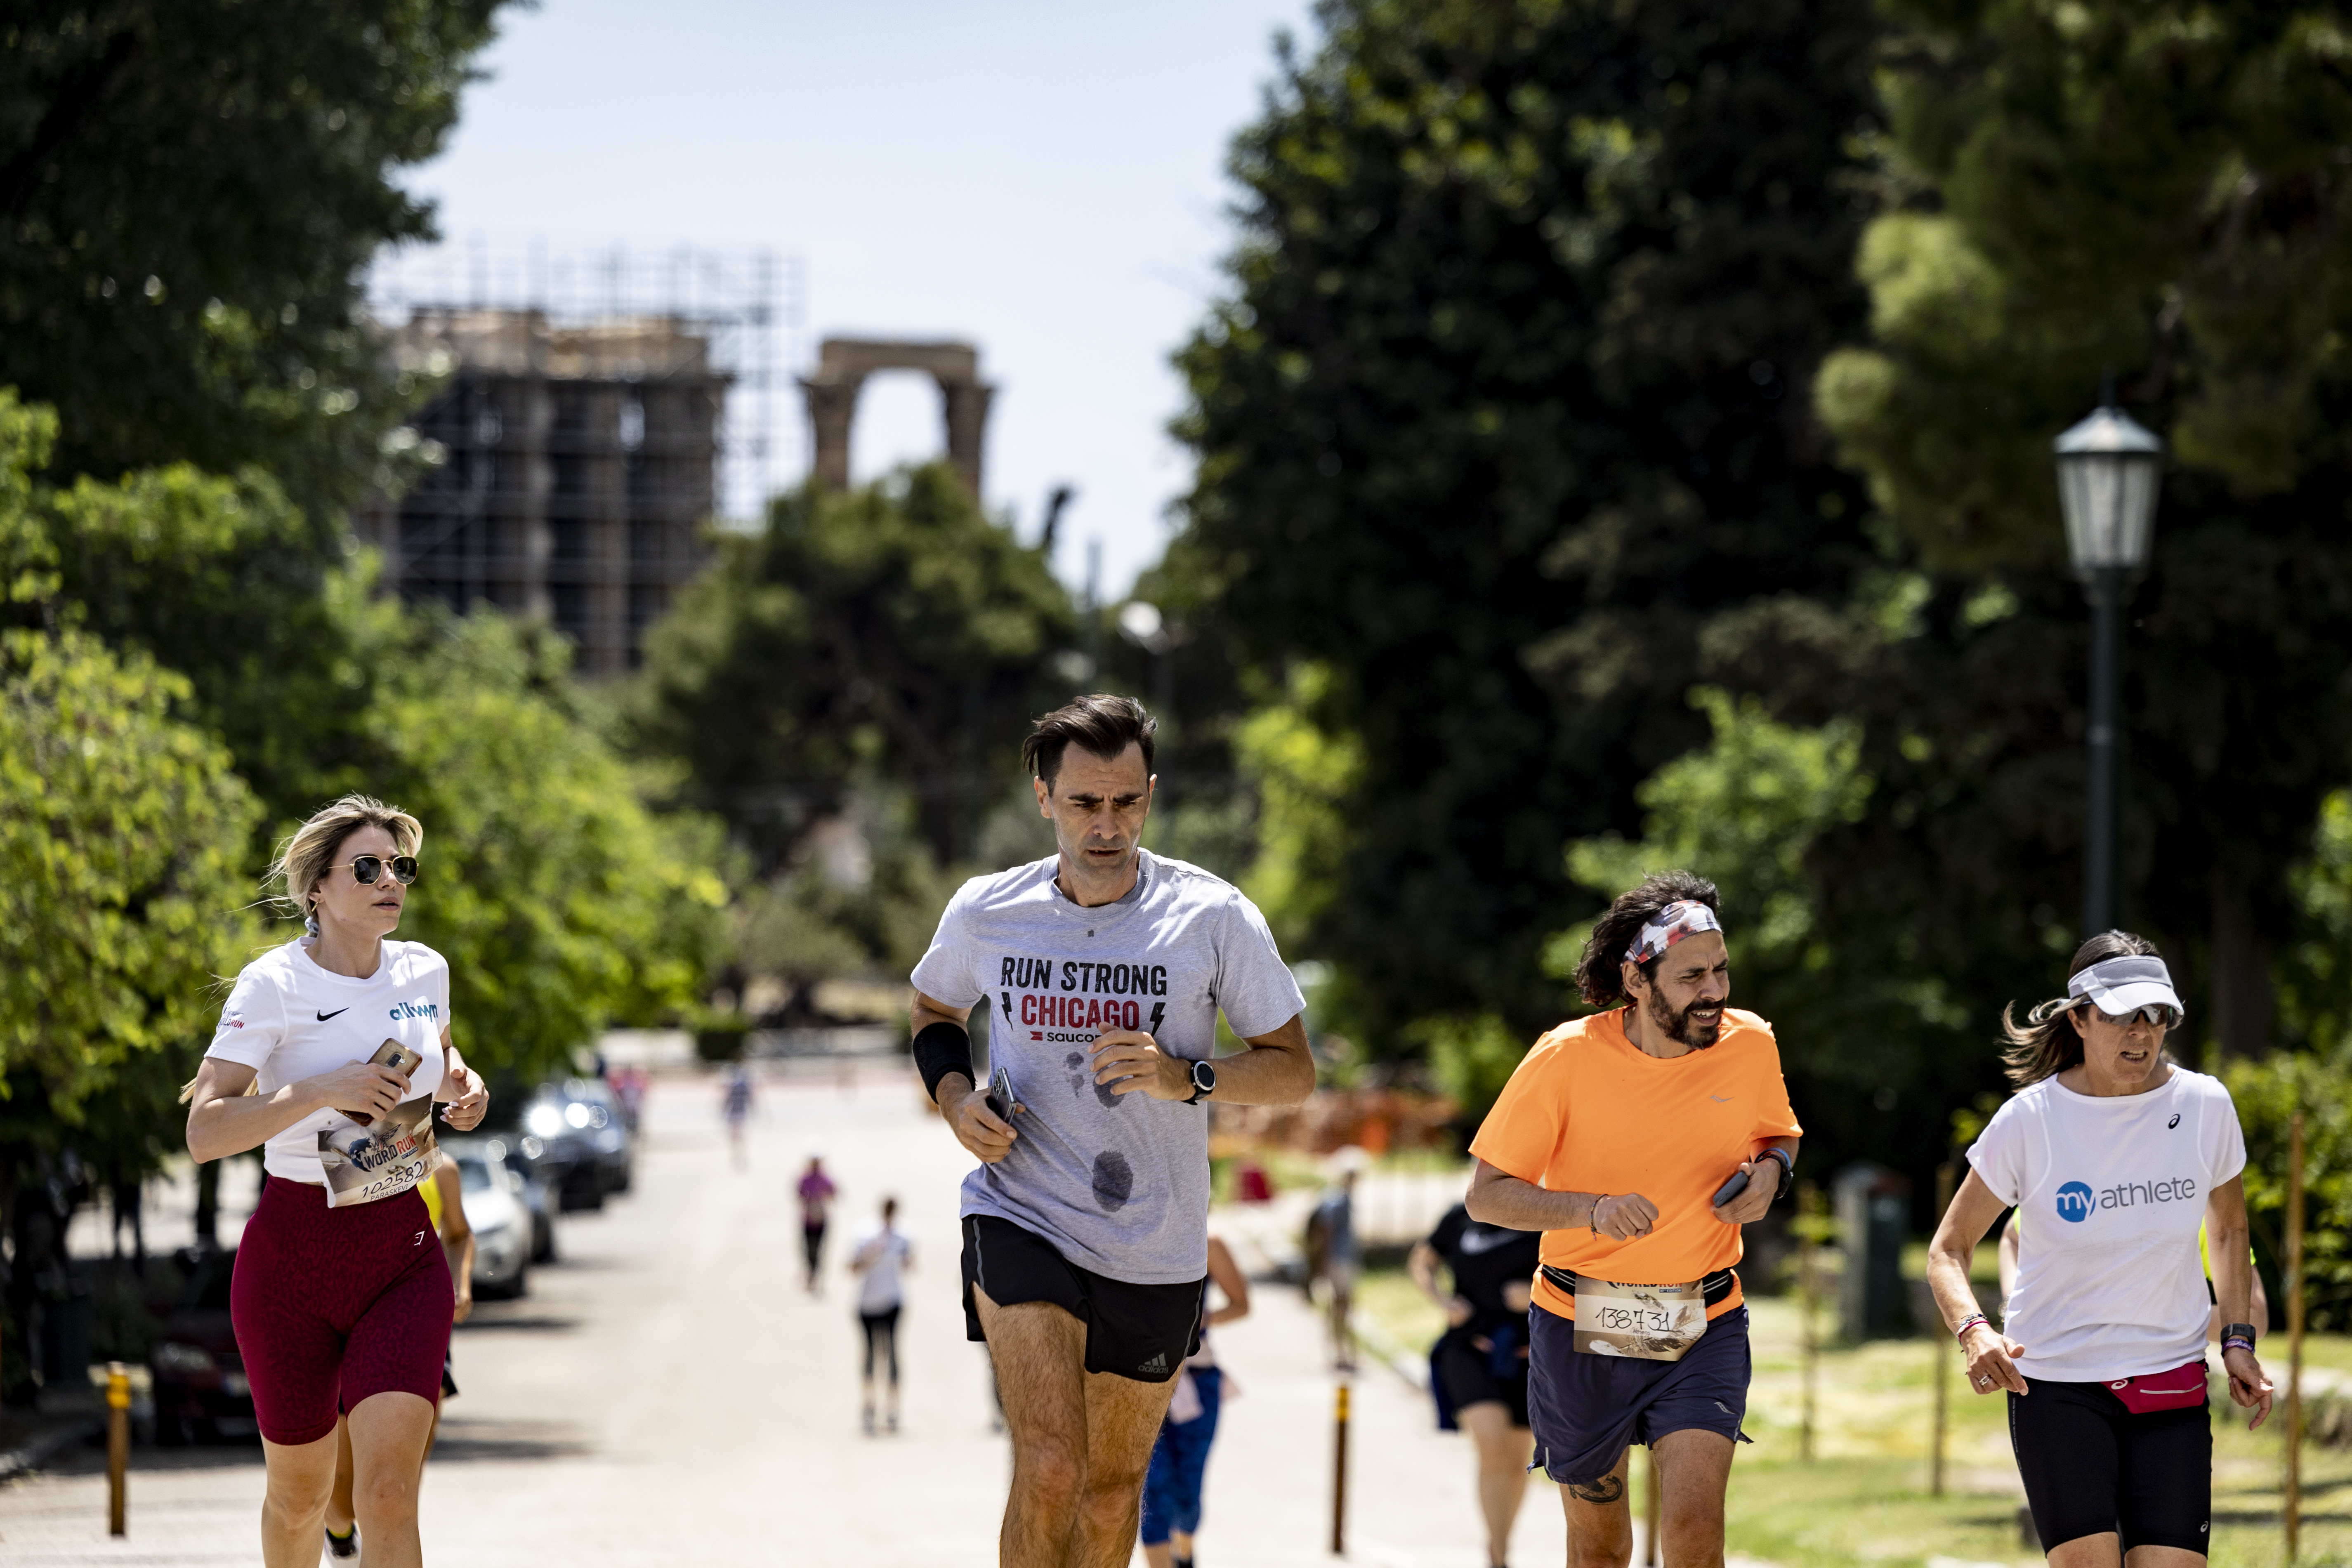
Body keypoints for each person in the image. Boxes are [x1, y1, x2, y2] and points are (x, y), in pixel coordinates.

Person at [908, 694, 1316, 1568]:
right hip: (1022, 1209)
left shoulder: (1211, 917)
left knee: (1108, 1496)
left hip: (1155, 1240)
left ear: (1151, 794)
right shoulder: (989, 908)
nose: (1108, 824)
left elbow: (1293, 1066)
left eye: (1127, 801)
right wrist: (952, 1095)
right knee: (1053, 1465)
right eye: (1086, 801)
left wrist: (1187, 1075)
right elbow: (935, 1005)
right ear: (1044, 795)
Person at [183, 795, 489, 1568]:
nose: (391, 880)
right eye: (368, 867)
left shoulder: (426, 969)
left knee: (388, 1493)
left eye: (401, 866)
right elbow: (204, 1130)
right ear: (316, 887)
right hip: (292, 1261)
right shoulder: (272, 984)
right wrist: (324, 1090)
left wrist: (464, 1087)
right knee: (300, 1500)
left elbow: (440, 1060)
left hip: (401, 1252)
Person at [1463, 870, 1800, 1567]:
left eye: (1721, 970)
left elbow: (1778, 1133)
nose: (1715, 991)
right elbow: (1488, 1194)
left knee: (1694, 1530)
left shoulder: (1750, 1044)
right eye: (1692, 975)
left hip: (1703, 1320)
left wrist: (1772, 1173)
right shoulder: (1565, 1057)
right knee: (1601, 1547)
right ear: (1637, 980)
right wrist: (1590, 1210)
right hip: (1583, 1323)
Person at [1927, 933, 2274, 1565]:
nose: (2141, 1033)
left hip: (2170, 1378)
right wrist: (1975, 1331)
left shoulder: (2204, 1105)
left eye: (2156, 1015)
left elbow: (2226, 1231)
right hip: (2058, 1383)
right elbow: (1947, 1250)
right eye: (2121, 1014)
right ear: (2080, 1017)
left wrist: (2238, 1341)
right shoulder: (2029, 1120)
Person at [323, 1148, 474, 1559]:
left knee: (396, 1485)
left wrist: (461, 1284)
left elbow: (459, 1234)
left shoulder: (444, 1170)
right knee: (340, 1499)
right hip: (350, 1323)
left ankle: (387, 1544)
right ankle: (338, 1533)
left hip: (419, 1320)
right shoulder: (344, 1153)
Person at [1412, 1202, 1542, 1568]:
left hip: (1530, 1355)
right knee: (1492, 1445)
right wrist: (1441, 1299)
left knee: (1518, 1461)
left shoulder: (1549, 1212)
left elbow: (1581, 1274)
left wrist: (1537, 1291)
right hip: (1469, 1349)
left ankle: (1502, 1544)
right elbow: (1422, 1260)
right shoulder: (1460, 1215)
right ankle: (1498, 1556)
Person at [1139, 1234, 1250, 1568]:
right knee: (1153, 1489)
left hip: (1197, 1382)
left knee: (1188, 1491)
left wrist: (1204, 1319)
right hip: (1142, 1383)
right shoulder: (1127, 1235)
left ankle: (1185, 1553)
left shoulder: (1209, 1244)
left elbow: (1241, 1305)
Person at [851, 1196, 913, 1435]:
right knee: (870, 1354)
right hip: (867, 1302)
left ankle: (892, 1410)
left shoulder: (904, 1234)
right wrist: (873, 1252)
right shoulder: (866, 1233)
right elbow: (853, 1268)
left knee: (892, 1354)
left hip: (893, 1301)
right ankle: (869, 1406)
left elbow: (909, 1265)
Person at [1306, 1148, 1366, 1371]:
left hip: (1344, 1259)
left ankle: (1344, 1354)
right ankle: (1339, 1355)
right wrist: (1322, 1264)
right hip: (1338, 1261)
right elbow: (1325, 1234)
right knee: (1339, 1308)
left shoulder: (1344, 1199)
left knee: (1344, 1308)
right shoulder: (1336, 1200)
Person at [800, 1154, 840, 1296]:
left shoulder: (825, 1178)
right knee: (809, 1249)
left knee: (820, 1250)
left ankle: (817, 1278)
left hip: (821, 1219)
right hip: (808, 1219)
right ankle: (811, 1276)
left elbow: (835, 1194)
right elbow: (799, 1196)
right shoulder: (805, 1178)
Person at [722, 1063, 754, 1169]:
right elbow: (750, 1098)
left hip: (734, 1113)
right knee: (740, 1136)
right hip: (740, 1113)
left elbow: (727, 1100)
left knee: (735, 1136)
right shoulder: (744, 1085)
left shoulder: (732, 1085)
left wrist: (723, 1110)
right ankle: (741, 1154)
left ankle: (737, 1155)